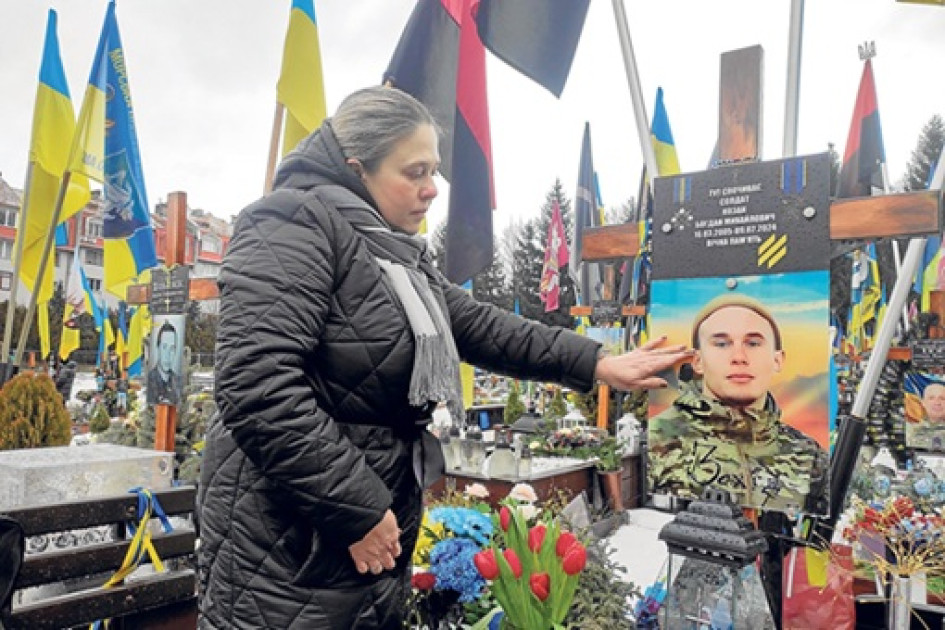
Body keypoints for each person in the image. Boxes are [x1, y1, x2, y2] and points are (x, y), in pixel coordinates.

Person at [196, 86, 692, 630]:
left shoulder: (395, 255)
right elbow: (257, 386)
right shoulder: (291, 223)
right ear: (357, 169)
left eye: (434, 171)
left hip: (353, 524)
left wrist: (598, 362)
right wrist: (357, 510)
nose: (432, 190)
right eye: (415, 172)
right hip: (291, 537)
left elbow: (480, 326)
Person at [648, 293, 828, 513]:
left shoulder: (809, 455)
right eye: (722, 344)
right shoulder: (655, 440)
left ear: (777, 360)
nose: (739, 357)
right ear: (698, 361)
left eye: (753, 343)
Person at [147, 321, 179, 405]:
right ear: (158, 348)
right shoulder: (150, 380)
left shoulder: (177, 381)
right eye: (164, 347)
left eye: (172, 348)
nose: (168, 355)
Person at [910, 381, 945, 450]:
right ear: (923, 403)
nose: (937, 402)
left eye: (942, 398)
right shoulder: (911, 431)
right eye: (931, 398)